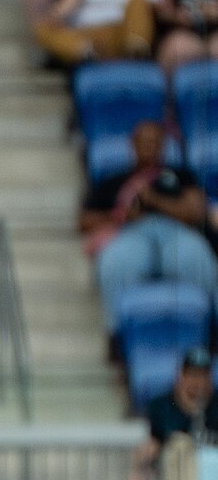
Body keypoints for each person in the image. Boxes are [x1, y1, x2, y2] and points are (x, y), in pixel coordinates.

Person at [81, 122, 218, 334]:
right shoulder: (113, 180)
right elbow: (84, 220)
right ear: (132, 144)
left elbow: (196, 212)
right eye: (144, 142)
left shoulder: (181, 175)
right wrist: (121, 215)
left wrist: (153, 200)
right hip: (133, 234)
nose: (149, 147)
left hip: (176, 233)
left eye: (155, 142)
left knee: (198, 257)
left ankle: (209, 330)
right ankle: (116, 334)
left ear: (163, 145)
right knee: (114, 262)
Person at [121, 345, 218, 480]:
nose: (198, 382)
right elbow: (148, 447)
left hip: (212, 478)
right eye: (192, 375)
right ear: (181, 376)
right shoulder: (162, 406)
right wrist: (148, 453)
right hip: (169, 479)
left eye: (203, 376)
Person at [32, 0, 162, 64]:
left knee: (138, 0)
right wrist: (56, 15)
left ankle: (135, 50)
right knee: (43, 28)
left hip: (125, 32)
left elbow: (156, 7)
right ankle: (87, 52)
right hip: (90, 35)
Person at [156, 0, 218, 71]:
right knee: (177, 47)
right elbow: (163, 11)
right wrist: (179, 16)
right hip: (182, 33)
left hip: (213, 33)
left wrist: (212, 12)